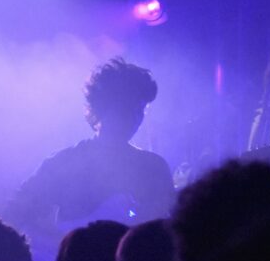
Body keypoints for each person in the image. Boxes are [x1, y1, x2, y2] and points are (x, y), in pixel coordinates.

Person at [11, 58, 174, 237]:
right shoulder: (64, 163)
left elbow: (166, 229)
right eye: (127, 108)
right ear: (102, 107)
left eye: (140, 110)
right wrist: (56, 242)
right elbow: (18, 212)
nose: (135, 118)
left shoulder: (153, 168)